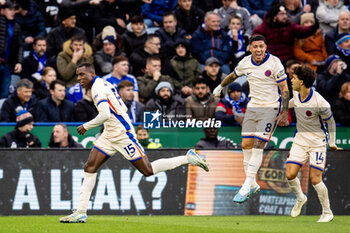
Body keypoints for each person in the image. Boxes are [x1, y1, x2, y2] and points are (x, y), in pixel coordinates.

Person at [59, 63, 209, 223]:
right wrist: (109, 125)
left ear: (92, 73)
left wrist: (85, 126)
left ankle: (187, 158)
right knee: (90, 167)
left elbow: (104, 114)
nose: (79, 78)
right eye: (77, 75)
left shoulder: (97, 88)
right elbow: (120, 106)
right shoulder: (104, 83)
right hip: (110, 133)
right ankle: (81, 211)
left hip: (122, 134)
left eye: (82, 74)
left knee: (147, 170)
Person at [213, 35, 289, 203]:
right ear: (250, 48)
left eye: (261, 46)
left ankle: (246, 184)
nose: (259, 49)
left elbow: (284, 89)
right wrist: (220, 86)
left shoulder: (275, 63)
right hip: (253, 107)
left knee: (257, 145)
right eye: (255, 47)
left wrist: (283, 112)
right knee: (246, 145)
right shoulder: (245, 62)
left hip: (270, 108)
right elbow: (233, 76)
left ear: (266, 46)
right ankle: (253, 183)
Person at [286, 65, 340, 222]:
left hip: (317, 142)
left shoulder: (320, 102)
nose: (291, 80)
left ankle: (327, 212)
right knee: (290, 174)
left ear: (301, 82)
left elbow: (331, 122)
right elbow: (293, 102)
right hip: (300, 139)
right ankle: (300, 198)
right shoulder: (296, 93)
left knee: (315, 179)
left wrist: (332, 142)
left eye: (294, 78)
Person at [253, 2, 318, 64]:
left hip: (288, 61)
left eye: (286, 13)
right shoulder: (262, 29)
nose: (285, 16)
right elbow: (256, 45)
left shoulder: (289, 26)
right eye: (282, 14)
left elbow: (303, 31)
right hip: (269, 61)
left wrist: (314, 27)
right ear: (274, 16)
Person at [0, 0, 23, 99]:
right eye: (9, 9)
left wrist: (19, 62)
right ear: (3, 10)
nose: (12, 12)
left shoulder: (16, 26)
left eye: (14, 10)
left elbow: (20, 46)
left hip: (7, 65)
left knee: (4, 95)